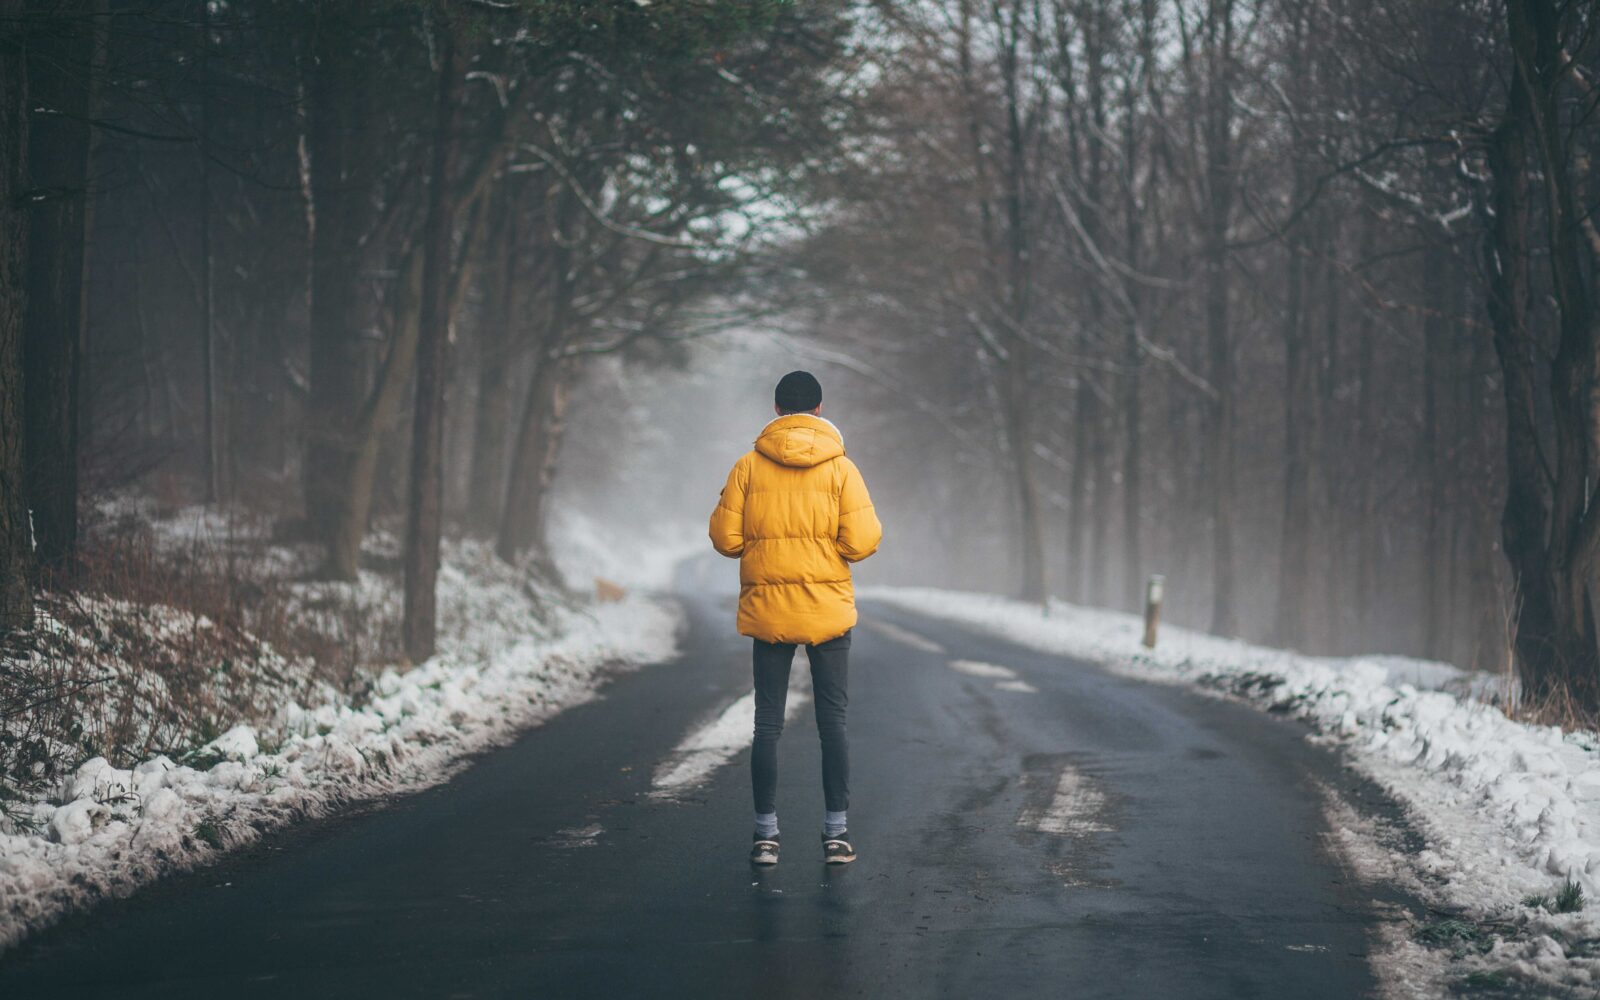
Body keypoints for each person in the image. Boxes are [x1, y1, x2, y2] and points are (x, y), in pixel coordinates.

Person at [708, 371, 883, 866]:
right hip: (828, 611)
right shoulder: (842, 469)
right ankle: (836, 835)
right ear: (820, 410)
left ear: (777, 410)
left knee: (767, 724)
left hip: (769, 610)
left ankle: (766, 836)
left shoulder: (747, 466)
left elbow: (726, 540)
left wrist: (761, 547)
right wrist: (831, 552)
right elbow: (864, 540)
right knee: (834, 723)